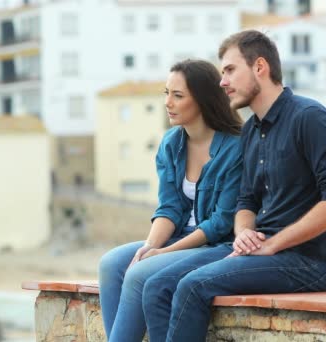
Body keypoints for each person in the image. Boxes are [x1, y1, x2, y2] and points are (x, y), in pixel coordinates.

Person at [142, 29, 326, 342]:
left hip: (307, 261)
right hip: (260, 252)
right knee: (157, 285)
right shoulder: (251, 132)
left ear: (260, 67)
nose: (222, 82)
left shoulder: (309, 117)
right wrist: (244, 232)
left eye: (230, 70)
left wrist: (272, 243)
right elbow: (246, 201)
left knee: (192, 285)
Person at [98, 59, 244, 342]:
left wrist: (164, 253)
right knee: (111, 263)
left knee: (140, 274)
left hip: (218, 245)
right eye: (166, 93)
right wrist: (150, 246)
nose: (168, 102)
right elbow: (169, 208)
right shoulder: (171, 143)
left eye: (178, 96)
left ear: (202, 100)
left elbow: (220, 222)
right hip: (178, 236)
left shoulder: (234, 147)